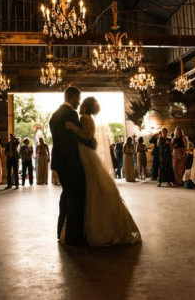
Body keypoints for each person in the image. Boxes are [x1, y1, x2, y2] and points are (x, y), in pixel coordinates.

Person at [65, 96, 141, 247]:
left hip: (85, 153)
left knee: (92, 184)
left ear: (85, 106)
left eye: (82, 103)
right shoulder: (89, 118)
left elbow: (86, 135)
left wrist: (72, 127)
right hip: (87, 152)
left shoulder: (85, 118)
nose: (79, 104)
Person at [49, 86, 86, 245]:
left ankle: (61, 231)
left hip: (59, 160)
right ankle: (73, 236)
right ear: (73, 97)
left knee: (66, 195)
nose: (79, 102)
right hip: (70, 160)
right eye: (78, 98)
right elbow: (75, 139)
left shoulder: (55, 114)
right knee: (75, 197)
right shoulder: (71, 114)